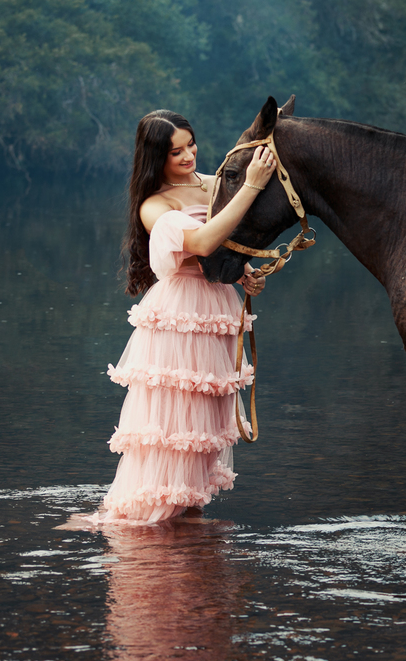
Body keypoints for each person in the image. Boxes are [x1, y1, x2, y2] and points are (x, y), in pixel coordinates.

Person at [91, 109, 276, 523]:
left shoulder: (212, 184)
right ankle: (153, 515)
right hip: (183, 313)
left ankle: (187, 512)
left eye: (191, 144)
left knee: (205, 426)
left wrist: (244, 273)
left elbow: (228, 246)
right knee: (175, 425)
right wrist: (250, 186)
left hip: (219, 306)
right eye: (177, 152)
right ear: (157, 157)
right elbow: (204, 242)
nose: (189, 156)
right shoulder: (155, 206)